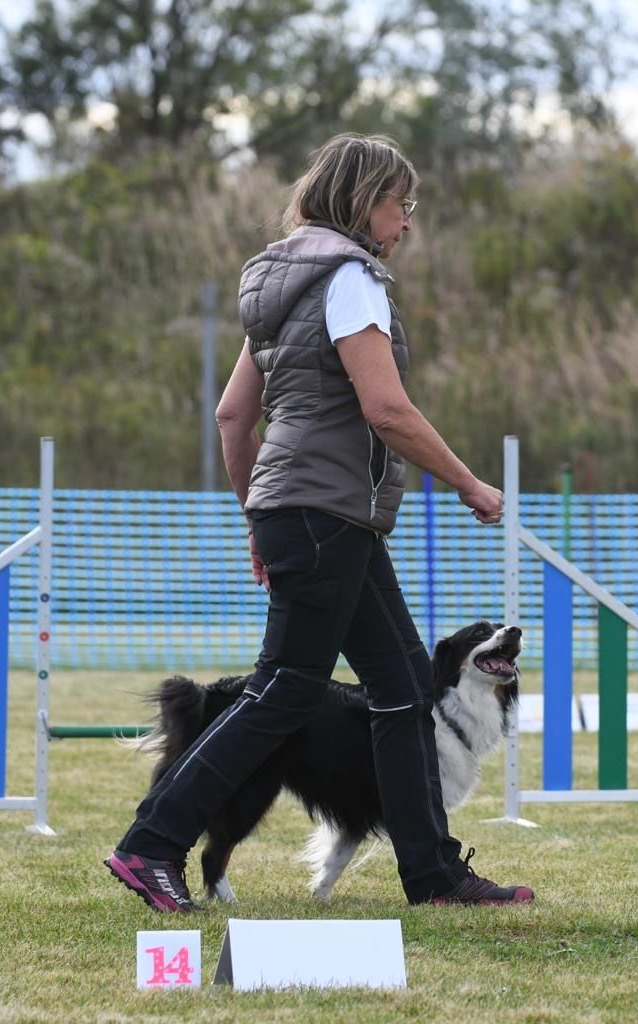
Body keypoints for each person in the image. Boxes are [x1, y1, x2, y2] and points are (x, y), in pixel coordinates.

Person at [105, 133, 534, 910]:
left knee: (404, 688)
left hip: (308, 512)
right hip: (328, 511)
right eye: (401, 207)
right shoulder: (351, 279)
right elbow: (386, 408)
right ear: (365, 202)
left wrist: (257, 515)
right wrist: (469, 483)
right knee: (285, 691)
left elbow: (235, 416)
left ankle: (432, 874)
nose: (405, 225)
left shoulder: (279, 280)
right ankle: (150, 845)